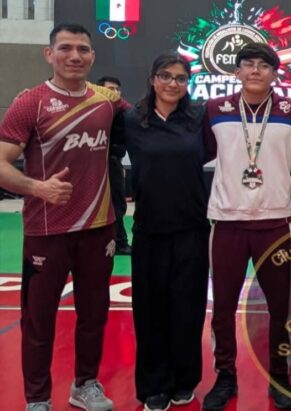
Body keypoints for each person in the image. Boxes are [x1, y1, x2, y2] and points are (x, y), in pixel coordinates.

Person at [0, 23, 128, 411]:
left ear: (93, 56)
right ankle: (38, 399)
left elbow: (156, 112)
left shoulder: (107, 101)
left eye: (83, 49)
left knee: (94, 316)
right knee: (39, 321)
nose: (75, 56)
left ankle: (85, 385)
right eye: (66, 48)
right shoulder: (31, 102)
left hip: (98, 229)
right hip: (46, 230)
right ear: (49, 54)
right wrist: (37, 188)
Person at [202, 42, 291, 411]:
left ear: (275, 73)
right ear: (237, 71)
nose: (255, 70)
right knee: (223, 307)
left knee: (279, 308)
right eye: (248, 64)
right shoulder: (215, 109)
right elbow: (202, 151)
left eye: (264, 65)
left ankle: (279, 375)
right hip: (227, 221)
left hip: (274, 222)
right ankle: (225, 375)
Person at [110, 52, 210, 411]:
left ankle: (184, 380)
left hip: (192, 229)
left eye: (180, 78)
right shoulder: (130, 120)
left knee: (188, 309)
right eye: (165, 76)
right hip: (150, 231)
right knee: (151, 312)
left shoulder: (200, 117)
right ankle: (154, 385)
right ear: (152, 78)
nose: (172, 83)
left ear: (188, 83)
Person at [97, 76, 132, 255]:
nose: (115, 92)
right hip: (94, 164)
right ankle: (117, 242)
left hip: (113, 162)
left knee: (117, 203)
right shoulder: (93, 111)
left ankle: (119, 241)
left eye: (118, 89)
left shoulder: (123, 112)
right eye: (111, 89)